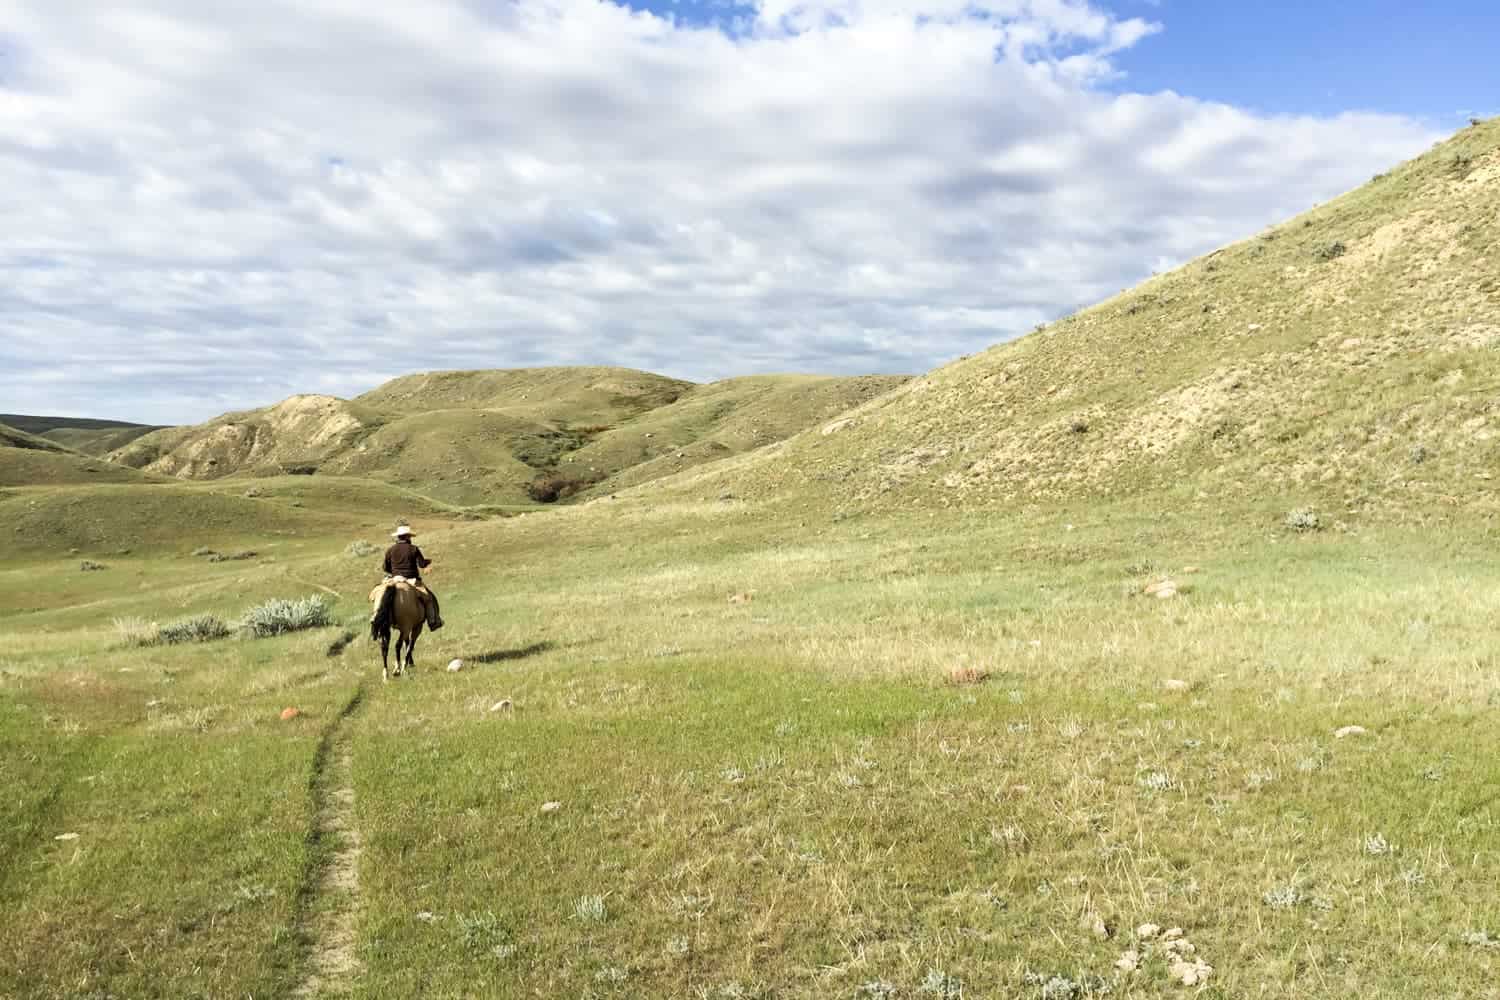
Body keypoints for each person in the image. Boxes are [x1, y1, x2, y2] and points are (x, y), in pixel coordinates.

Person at [381, 524, 443, 630]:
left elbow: (385, 568)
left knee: (381, 594)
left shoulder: (390, 550)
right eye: (409, 536)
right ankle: (433, 621)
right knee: (428, 598)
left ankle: (376, 616)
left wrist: (395, 571)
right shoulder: (413, 549)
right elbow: (422, 564)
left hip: (395, 579)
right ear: (407, 537)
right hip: (412, 580)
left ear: (398, 537)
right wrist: (427, 562)